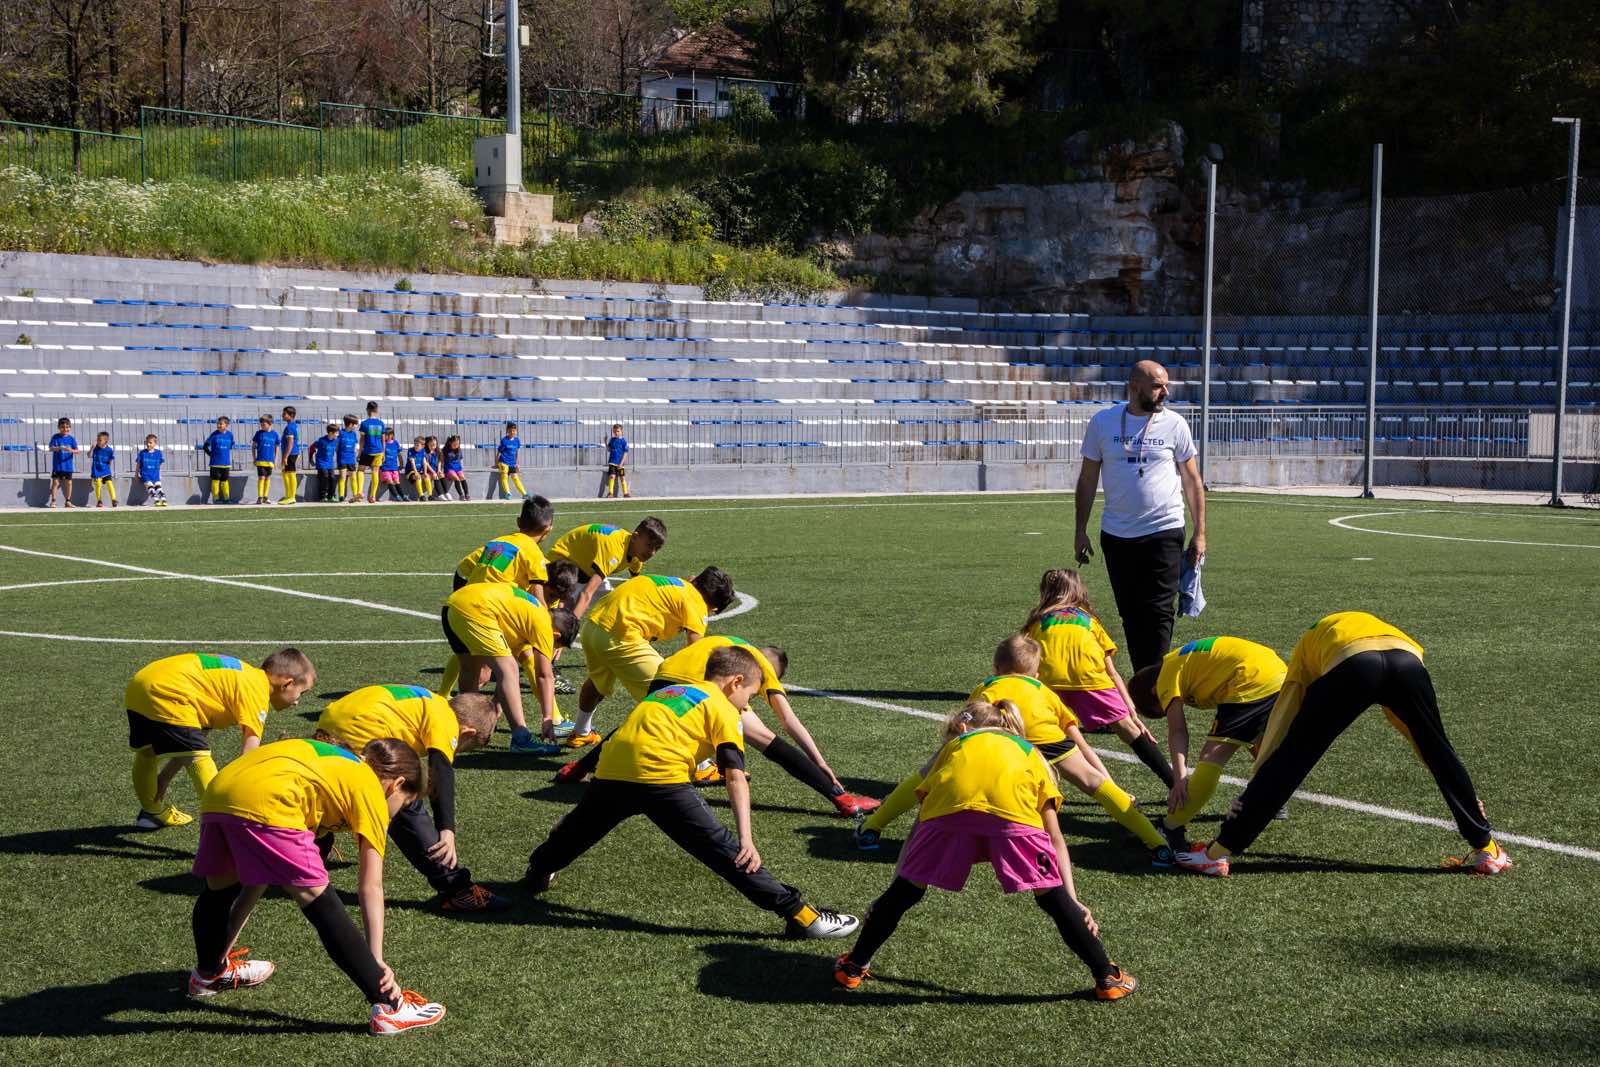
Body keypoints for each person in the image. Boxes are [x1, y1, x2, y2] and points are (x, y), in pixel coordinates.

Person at [523, 645, 859, 941]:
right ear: (735, 683)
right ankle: (803, 917)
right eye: (751, 697)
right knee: (725, 851)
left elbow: (623, 732)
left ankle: (537, 870)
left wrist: (583, 769)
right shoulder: (725, 708)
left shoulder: (669, 692)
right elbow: (735, 777)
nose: (747, 705)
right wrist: (747, 838)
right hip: (660, 777)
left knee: (577, 833)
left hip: (612, 769)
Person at [830, 699, 1137, 1000]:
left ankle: (854, 967)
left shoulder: (953, 749)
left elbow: (918, 830)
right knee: (1052, 898)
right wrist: (1072, 900)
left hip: (948, 820)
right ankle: (1107, 977)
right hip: (1014, 822)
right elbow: (1055, 837)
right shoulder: (1030, 752)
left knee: (907, 890)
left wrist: (889, 892)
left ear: (963, 728)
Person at [1176, 612, 1512, 878]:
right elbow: (1423, 741)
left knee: (1294, 757)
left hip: (1352, 664)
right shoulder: (1369, 628)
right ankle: (1488, 848)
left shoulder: (1306, 649)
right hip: (1409, 660)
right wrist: (1463, 792)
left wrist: (1255, 787)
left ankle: (1217, 854)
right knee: (1440, 750)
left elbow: (1285, 725)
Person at [187, 736, 447, 1036]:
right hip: (269, 798)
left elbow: (258, 881)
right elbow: (370, 887)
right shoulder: (371, 789)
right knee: (320, 900)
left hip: (221, 791)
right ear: (396, 784)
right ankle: (390, 1008)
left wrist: (223, 947)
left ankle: (207, 975)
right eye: (405, 803)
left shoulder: (332, 770)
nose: (397, 811)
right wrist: (375, 963)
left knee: (220, 889)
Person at [855, 635, 1174, 869]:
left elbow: (971, 716)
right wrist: (1102, 775)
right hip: (1047, 738)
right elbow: (1071, 731)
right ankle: (1157, 843)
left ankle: (872, 828)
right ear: (1036, 675)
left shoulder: (986, 686)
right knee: (1092, 783)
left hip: (997, 736)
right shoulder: (1042, 690)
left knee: (927, 773)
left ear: (995, 667)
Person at [555, 636, 882, 818]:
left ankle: (578, 769)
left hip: (666, 675)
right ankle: (841, 798)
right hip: (701, 682)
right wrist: (821, 762)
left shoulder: (731, 645)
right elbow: (788, 720)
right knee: (767, 740)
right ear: (769, 670)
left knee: (641, 723)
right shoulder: (758, 665)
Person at [315, 685, 507, 913]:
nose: (455, 750)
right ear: (467, 732)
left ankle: (316, 846)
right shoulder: (446, 719)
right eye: (463, 747)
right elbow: (441, 769)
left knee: (331, 789)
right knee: (403, 799)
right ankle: (457, 889)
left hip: (331, 722)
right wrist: (447, 829)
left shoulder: (431, 702)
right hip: (358, 731)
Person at [1073, 359, 1206, 672]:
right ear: (1135, 387)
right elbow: (1088, 478)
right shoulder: (1103, 423)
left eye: (1166, 385)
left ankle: (1155, 678)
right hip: (1117, 535)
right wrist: (1080, 530)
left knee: (1159, 609)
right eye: (1158, 386)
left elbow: (1191, 480)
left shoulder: (1175, 424)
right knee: (1130, 612)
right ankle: (1143, 673)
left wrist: (1200, 533)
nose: (1165, 392)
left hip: (1165, 529)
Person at [1125, 636, 1289, 852]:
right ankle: (1273, 798)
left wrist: (1180, 778)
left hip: (1249, 677)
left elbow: (1178, 731)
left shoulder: (1165, 678)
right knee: (1257, 741)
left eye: (1161, 708)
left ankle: (1169, 827)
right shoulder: (1178, 661)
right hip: (1277, 671)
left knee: (1212, 757)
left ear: (1154, 691)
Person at [125, 649, 317, 829]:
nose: (298, 701)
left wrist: (164, 778)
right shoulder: (257, 690)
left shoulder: (238, 679)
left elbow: (187, 742)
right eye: (301, 693)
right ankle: (229, 825)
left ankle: (151, 812)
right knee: (198, 757)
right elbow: (248, 757)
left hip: (141, 684)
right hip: (170, 691)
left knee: (148, 752)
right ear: (287, 683)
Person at [1025, 569, 1173, 788]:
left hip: (1048, 681)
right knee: (1129, 731)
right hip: (1090, 678)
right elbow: (1112, 673)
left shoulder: (1036, 623)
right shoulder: (1089, 621)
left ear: (1045, 593)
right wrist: (1131, 712)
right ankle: (1174, 783)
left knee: (1035, 735)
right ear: (1078, 591)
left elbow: (1025, 661)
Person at [571, 568, 735, 747]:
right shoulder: (696, 601)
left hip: (593, 627)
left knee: (597, 683)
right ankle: (701, 765)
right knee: (672, 697)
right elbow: (696, 651)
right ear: (714, 607)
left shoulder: (675, 583)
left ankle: (581, 732)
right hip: (621, 636)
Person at [439, 581, 579, 755]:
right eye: (555, 645)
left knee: (471, 669)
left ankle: (465, 726)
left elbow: (505, 680)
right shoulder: (544, 624)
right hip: (476, 609)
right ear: (555, 634)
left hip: (453, 604)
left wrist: (497, 706)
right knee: (510, 669)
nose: (551, 650)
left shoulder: (526, 619)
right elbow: (544, 675)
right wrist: (548, 718)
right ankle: (521, 738)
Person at [547, 518, 667, 617]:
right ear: (635, 537)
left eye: (657, 548)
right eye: (649, 545)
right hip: (560, 564)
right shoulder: (613, 550)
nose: (652, 553)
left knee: (614, 603)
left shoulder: (637, 555)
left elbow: (634, 583)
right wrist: (571, 626)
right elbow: (587, 593)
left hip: (585, 570)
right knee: (558, 616)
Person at [451, 496, 554, 597]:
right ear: (548, 529)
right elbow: (538, 596)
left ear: (518, 522)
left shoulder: (501, 541)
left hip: (464, 577)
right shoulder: (533, 552)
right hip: (477, 587)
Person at [201, 416, 235, 505]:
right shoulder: (214, 435)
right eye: (218, 424)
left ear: (226, 425)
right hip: (215, 463)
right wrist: (211, 455)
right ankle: (216, 499)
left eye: (221, 424)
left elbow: (231, 446)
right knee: (215, 480)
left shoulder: (230, 435)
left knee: (225, 481)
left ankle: (226, 499)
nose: (219, 425)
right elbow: (205, 446)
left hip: (226, 463)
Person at [46, 416, 77, 508]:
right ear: (59, 427)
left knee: (69, 483)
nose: (65, 429)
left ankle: (68, 501)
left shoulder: (71, 439)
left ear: (70, 428)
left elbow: (77, 450)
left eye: (67, 427)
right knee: (55, 482)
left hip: (68, 466)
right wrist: (60, 447)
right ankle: (53, 501)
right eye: (63, 427)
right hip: (58, 465)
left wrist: (70, 450)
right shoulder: (55, 437)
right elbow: (50, 448)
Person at [358, 401, 385, 503]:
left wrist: (359, 452)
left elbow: (362, 440)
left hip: (367, 451)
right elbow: (383, 440)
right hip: (378, 451)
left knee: (361, 470)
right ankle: (373, 496)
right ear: (376, 410)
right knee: (375, 472)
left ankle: (360, 491)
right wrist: (384, 453)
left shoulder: (364, 423)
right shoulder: (381, 423)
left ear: (367, 410)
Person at [251, 414, 279, 506]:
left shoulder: (275, 434)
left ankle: (266, 497)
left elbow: (277, 447)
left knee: (268, 478)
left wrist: (275, 459)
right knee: (261, 477)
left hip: (270, 460)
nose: (262, 426)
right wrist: (254, 458)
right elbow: (253, 446)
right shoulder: (258, 433)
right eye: (261, 424)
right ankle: (260, 497)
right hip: (260, 460)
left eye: (264, 424)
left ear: (270, 423)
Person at [310, 423, 340, 502]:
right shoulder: (321, 441)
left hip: (330, 463)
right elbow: (312, 448)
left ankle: (331, 496)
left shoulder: (336, 440)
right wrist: (311, 459)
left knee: (333, 478)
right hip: (321, 463)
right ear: (330, 433)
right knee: (325, 476)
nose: (338, 434)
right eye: (336, 433)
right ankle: (322, 496)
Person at [496, 422, 526, 500]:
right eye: (510, 431)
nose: (512, 432)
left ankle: (524, 494)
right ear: (507, 430)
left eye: (514, 431)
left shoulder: (517, 440)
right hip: (503, 461)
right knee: (505, 474)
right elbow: (499, 452)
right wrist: (496, 463)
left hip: (512, 463)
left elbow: (517, 452)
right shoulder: (504, 440)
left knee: (515, 477)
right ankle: (508, 493)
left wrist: (517, 463)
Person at [277, 405, 301, 504]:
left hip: (290, 454)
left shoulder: (290, 427)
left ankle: (292, 497)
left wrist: (285, 457)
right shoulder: (292, 425)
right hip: (292, 453)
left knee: (291, 474)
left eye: (284, 414)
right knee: (285, 473)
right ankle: (288, 495)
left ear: (290, 415)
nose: (282, 415)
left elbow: (290, 443)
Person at [599, 424, 630, 499]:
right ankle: (610, 493)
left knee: (622, 477)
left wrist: (621, 463)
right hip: (612, 462)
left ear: (621, 431)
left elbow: (625, 453)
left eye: (618, 431)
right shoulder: (612, 440)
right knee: (612, 476)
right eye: (614, 431)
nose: (616, 433)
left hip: (620, 464)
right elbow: (609, 449)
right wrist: (605, 442)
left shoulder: (624, 441)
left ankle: (626, 493)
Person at [137, 433, 167, 507]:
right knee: (150, 486)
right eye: (147, 442)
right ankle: (156, 500)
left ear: (155, 443)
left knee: (158, 486)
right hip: (145, 474)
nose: (148, 444)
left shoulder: (158, 453)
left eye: (150, 442)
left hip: (155, 474)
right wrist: (136, 474)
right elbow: (138, 464)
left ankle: (163, 499)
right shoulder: (142, 453)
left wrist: (160, 474)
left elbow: (160, 464)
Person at [89, 430, 117, 508]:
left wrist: (108, 468)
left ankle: (114, 500)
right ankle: (99, 501)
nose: (97, 441)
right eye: (97, 439)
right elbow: (89, 455)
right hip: (96, 471)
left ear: (105, 441)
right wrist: (91, 449)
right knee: (98, 485)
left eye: (100, 440)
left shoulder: (109, 450)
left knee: (109, 483)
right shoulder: (95, 448)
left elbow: (110, 459)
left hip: (106, 471)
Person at [375, 430, 404, 502]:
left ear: (391, 435)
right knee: (390, 481)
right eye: (384, 435)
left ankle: (403, 496)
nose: (384, 436)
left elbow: (399, 455)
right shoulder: (383, 444)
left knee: (397, 481)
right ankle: (397, 496)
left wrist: (401, 464)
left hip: (394, 467)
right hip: (385, 468)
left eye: (386, 435)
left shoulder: (396, 443)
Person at [337, 415, 361, 501]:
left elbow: (356, 445)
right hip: (342, 459)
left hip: (351, 459)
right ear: (350, 424)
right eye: (356, 424)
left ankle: (355, 495)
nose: (357, 426)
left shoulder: (354, 434)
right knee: (342, 477)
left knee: (353, 478)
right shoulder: (340, 433)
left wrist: (357, 452)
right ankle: (341, 496)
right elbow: (337, 446)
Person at [441, 435, 468, 500]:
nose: (456, 445)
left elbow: (461, 459)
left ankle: (467, 494)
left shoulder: (459, 449)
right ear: (450, 443)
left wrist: (461, 467)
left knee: (462, 477)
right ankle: (461, 495)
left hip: (457, 467)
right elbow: (441, 461)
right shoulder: (445, 450)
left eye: (458, 444)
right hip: (449, 468)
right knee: (456, 478)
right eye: (454, 444)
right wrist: (441, 470)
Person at [422, 436, 442, 501]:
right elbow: (426, 464)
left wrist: (439, 470)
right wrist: (433, 472)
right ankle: (439, 494)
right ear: (427, 444)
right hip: (428, 471)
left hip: (435, 470)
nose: (433, 447)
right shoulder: (425, 452)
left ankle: (444, 493)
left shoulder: (437, 451)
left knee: (441, 475)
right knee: (434, 476)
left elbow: (439, 461)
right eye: (431, 445)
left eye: (435, 445)